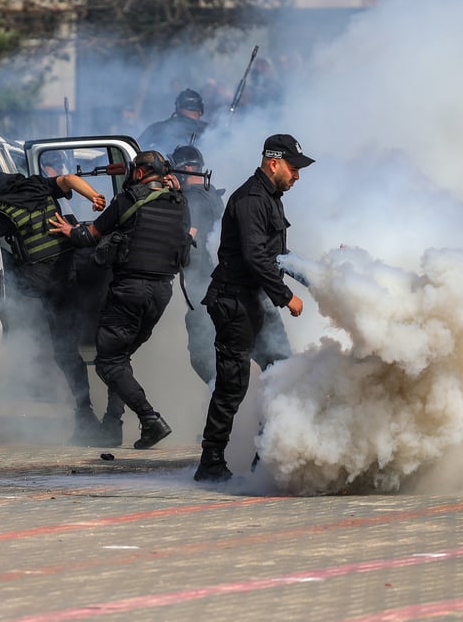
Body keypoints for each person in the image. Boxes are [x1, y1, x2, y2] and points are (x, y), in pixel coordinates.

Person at [49, 150, 191, 450]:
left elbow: (90, 235)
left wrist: (68, 230)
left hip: (131, 290)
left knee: (108, 361)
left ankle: (150, 419)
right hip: (162, 293)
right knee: (120, 359)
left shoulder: (129, 199)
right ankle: (112, 426)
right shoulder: (179, 203)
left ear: (139, 173)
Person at [195, 134, 313, 482]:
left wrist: (319, 275)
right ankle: (211, 462)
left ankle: (267, 456)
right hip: (234, 301)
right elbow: (254, 257)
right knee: (233, 385)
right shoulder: (250, 199)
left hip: (256, 300)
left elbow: (277, 255)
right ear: (273, 163)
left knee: (282, 372)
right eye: (293, 168)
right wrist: (285, 296)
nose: (297, 176)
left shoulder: (272, 198)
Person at [0, 166, 109, 444]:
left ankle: (85, 414)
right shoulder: (39, 187)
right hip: (68, 273)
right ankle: (86, 412)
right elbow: (70, 179)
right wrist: (94, 196)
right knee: (67, 348)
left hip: (41, 280)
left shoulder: (0, 209)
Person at [170, 145, 226, 384]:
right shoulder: (209, 192)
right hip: (210, 280)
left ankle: (223, 399)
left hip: (200, 284)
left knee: (202, 356)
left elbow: (187, 241)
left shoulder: (193, 200)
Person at [137, 89, 208, 157]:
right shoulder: (210, 131)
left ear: (178, 107)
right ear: (200, 111)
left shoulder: (158, 128)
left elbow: (135, 150)